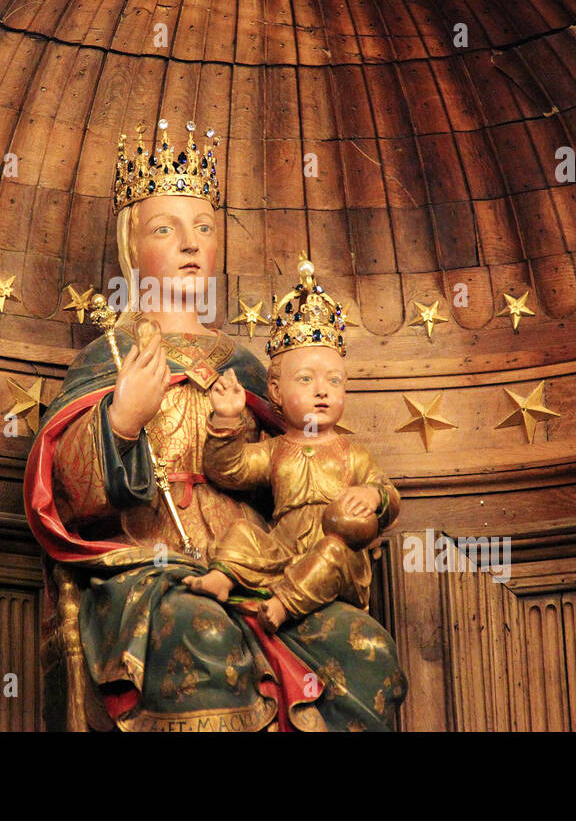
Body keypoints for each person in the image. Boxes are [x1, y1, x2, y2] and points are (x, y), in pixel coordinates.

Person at [23, 119, 407, 731]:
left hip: (258, 566)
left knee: (367, 651)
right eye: (165, 228)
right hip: (150, 566)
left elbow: (297, 469)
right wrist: (121, 421)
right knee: (205, 636)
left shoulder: (246, 367)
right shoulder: (111, 358)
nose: (189, 243)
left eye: (203, 227)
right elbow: (62, 492)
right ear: (131, 244)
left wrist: (358, 500)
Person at [183, 260, 401, 634]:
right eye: (306, 379)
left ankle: (282, 605)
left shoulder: (353, 454)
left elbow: (389, 495)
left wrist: (372, 495)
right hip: (283, 552)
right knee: (241, 531)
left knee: (331, 554)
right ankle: (222, 577)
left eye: (334, 380)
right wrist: (226, 419)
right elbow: (228, 469)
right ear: (276, 393)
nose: (322, 390)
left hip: (338, 558)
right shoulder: (275, 450)